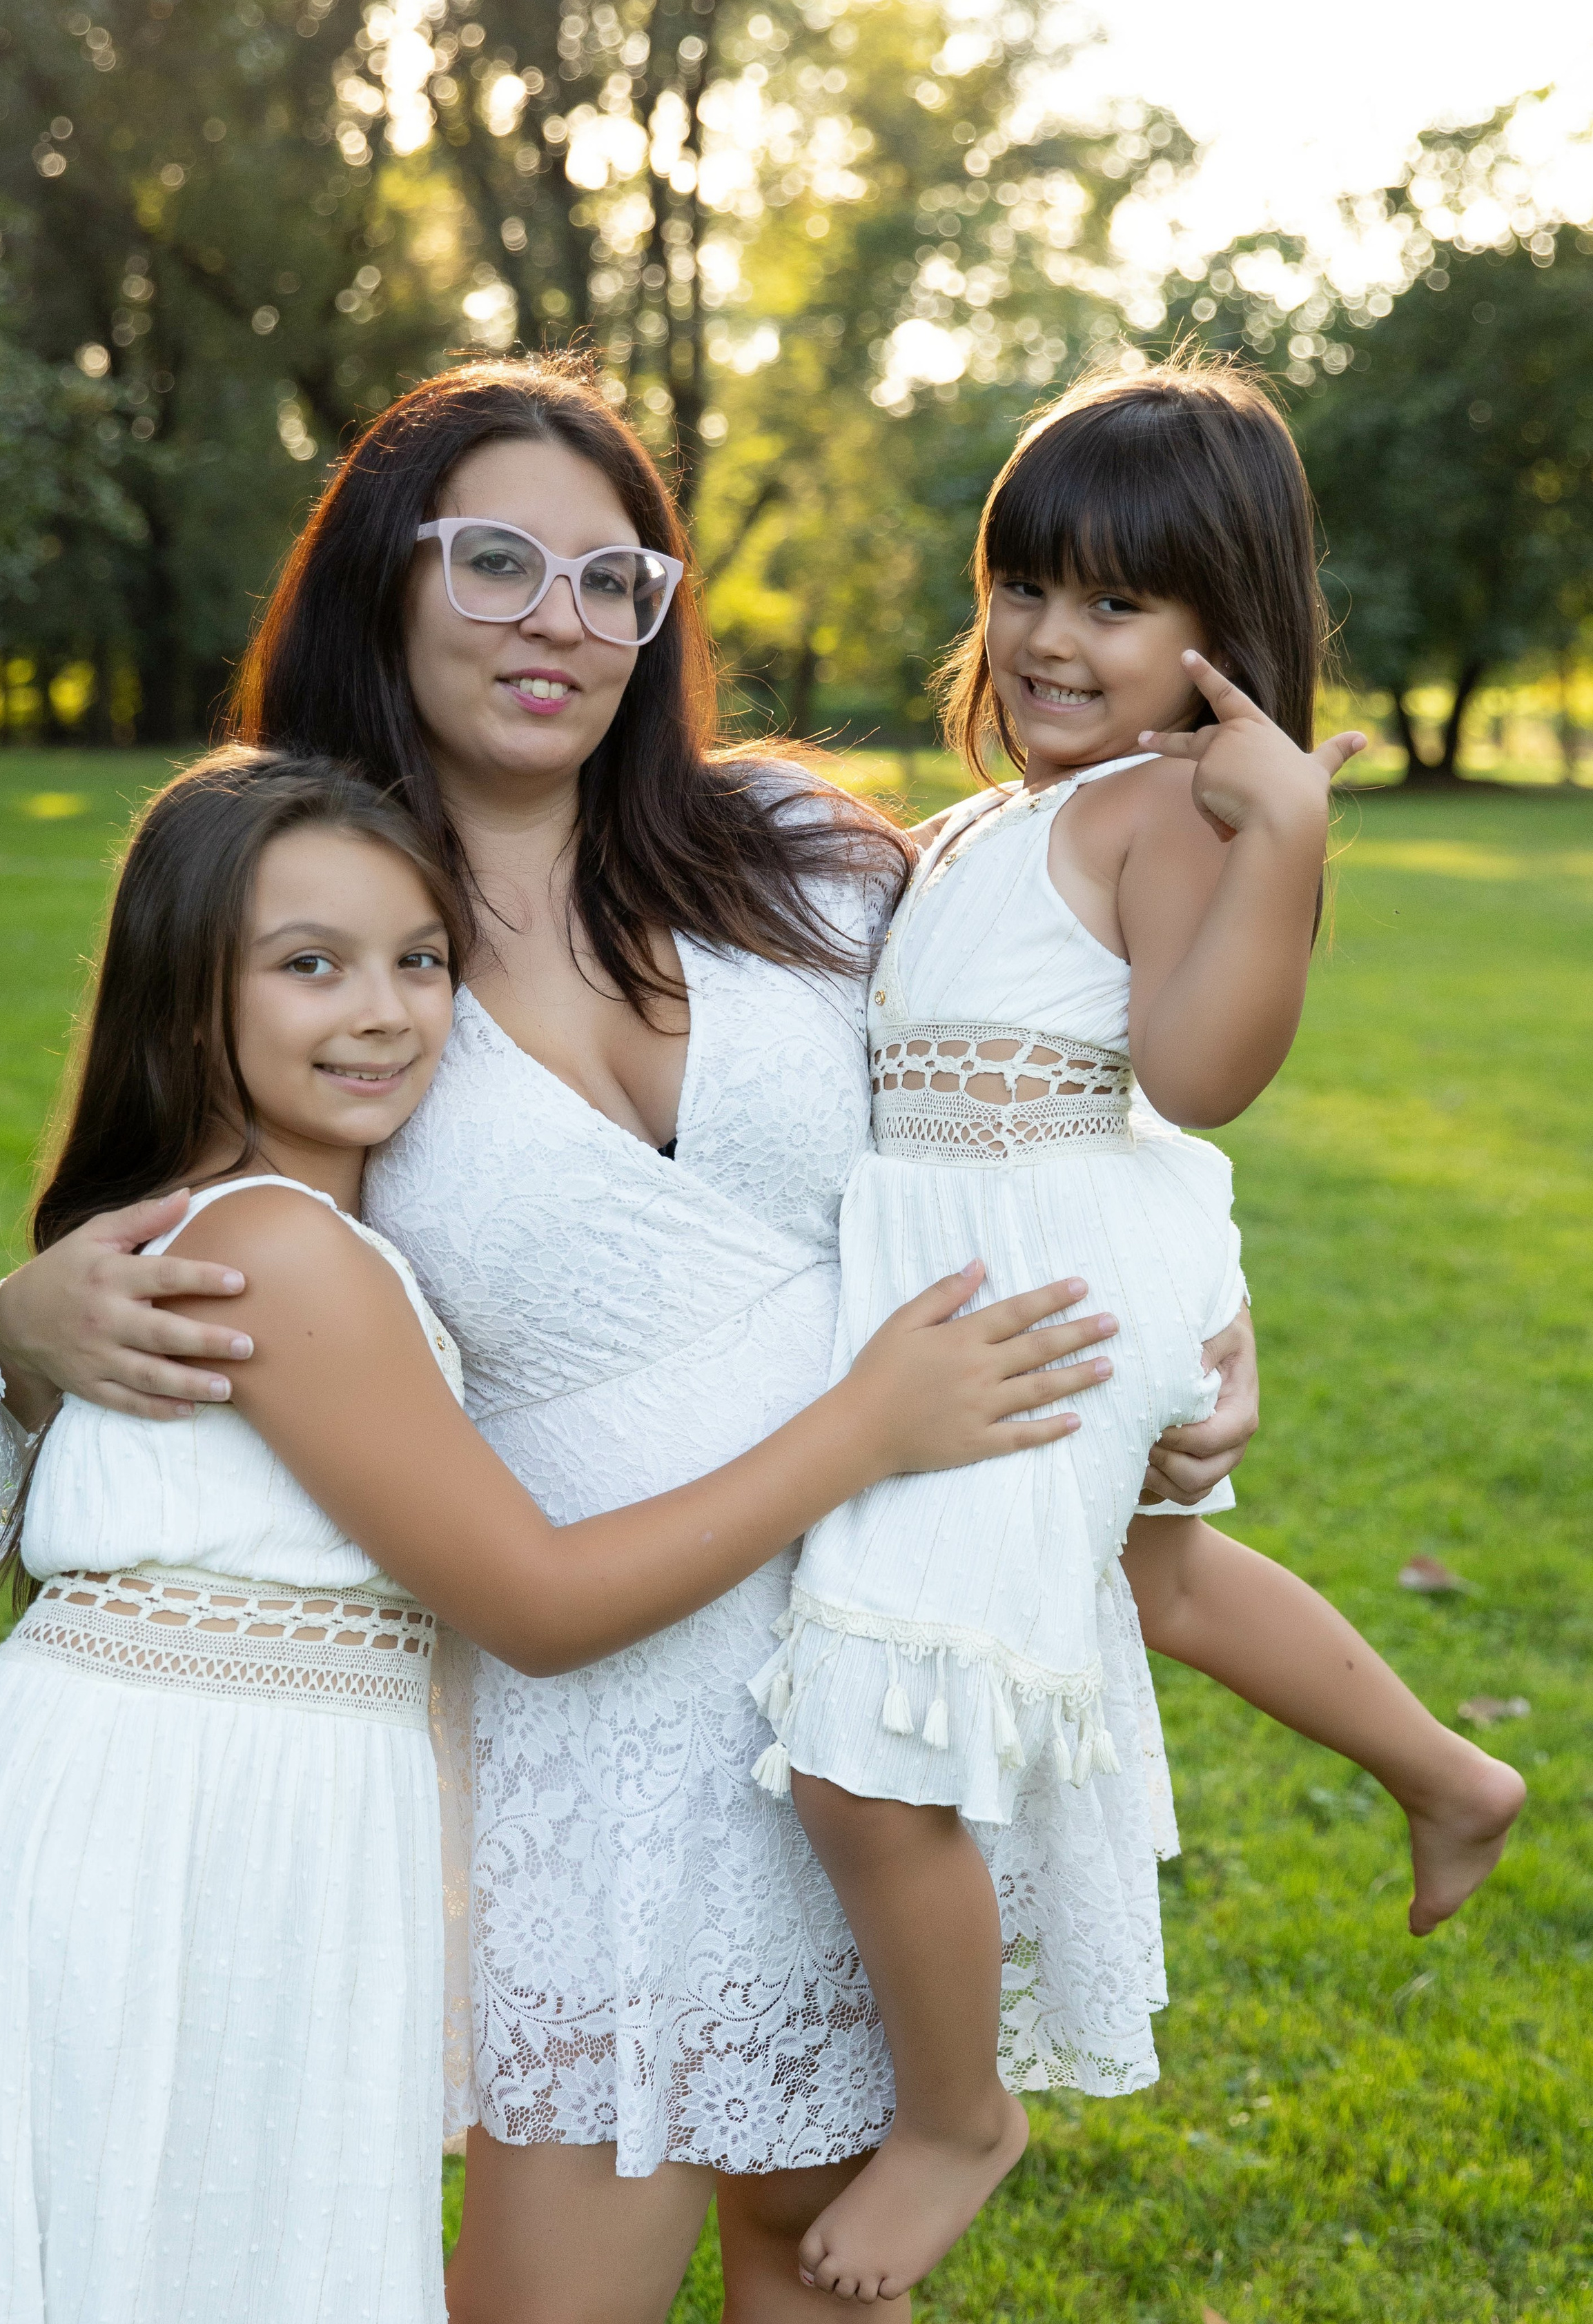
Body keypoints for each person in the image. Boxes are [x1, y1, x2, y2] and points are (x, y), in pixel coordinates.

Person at [0, 356, 1262, 2323]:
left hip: (866, 1674)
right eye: (496, 562)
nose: (557, 621)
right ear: (383, 578)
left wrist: (1207, 1326)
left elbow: (1055, 1065)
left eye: (611, 579)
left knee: (821, 2275)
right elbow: (188, 1212)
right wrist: (26, 1325)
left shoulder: (801, 852)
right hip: (593, 1730)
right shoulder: (328, 914)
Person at [0, 748, 1120, 2324]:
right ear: (184, 1002)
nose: (383, 1011)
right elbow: (537, 1601)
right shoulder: (276, 1254)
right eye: (310, 966)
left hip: (223, 1801)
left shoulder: (266, 1234)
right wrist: (867, 1426)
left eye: (422, 960)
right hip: (179, 1826)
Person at [744, 360, 1530, 2304]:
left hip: (1045, 1289)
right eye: (1023, 585)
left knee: (867, 1754)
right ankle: (1450, 1775)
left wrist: (1287, 839)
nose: (1047, 635)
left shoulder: (1176, 806)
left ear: (1215, 630)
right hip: (1024, 1255)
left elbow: (1197, 1070)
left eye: (1113, 602)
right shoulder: (1008, 818)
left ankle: (957, 2117)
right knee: (1158, 1575)